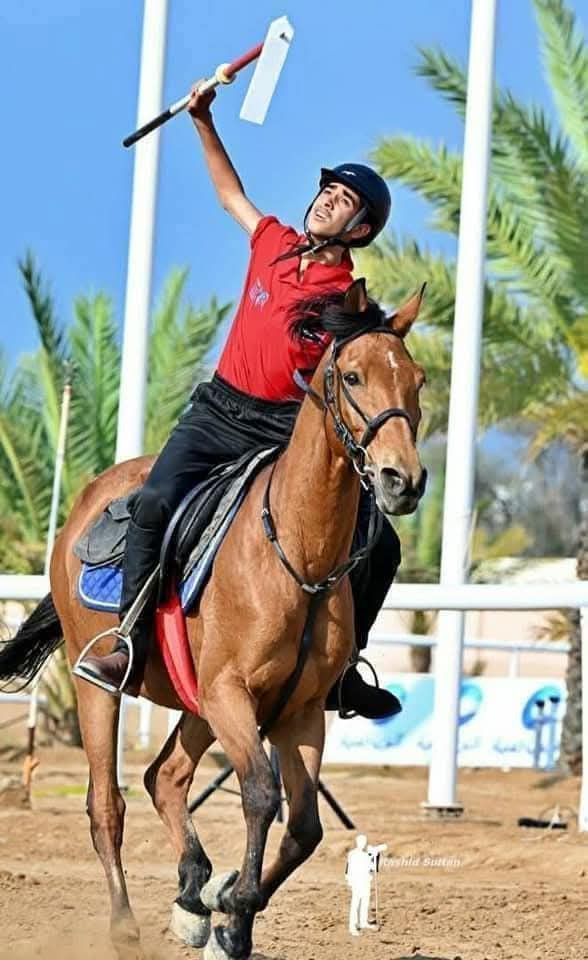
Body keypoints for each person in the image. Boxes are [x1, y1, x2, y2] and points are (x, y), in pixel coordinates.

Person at [74, 82, 402, 719]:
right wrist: (202, 120)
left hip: (285, 431)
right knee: (155, 503)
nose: (326, 200)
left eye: (342, 200)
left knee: (382, 543)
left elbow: (370, 358)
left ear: (360, 229)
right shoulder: (272, 240)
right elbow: (229, 194)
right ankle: (128, 643)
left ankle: (344, 670)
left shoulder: (347, 299)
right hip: (218, 416)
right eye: (326, 191)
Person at [345, 834, 377, 935]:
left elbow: (373, 869)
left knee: (365, 902)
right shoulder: (352, 854)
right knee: (356, 904)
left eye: (364, 842)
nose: (363, 844)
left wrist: (374, 856)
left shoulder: (366, 855)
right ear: (357, 842)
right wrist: (349, 880)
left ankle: (363, 922)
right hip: (356, 881)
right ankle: (352, 926)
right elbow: (348, 869)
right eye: (361, 842)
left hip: (365, 881)